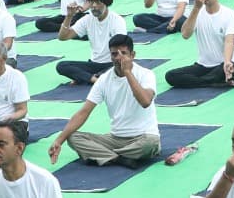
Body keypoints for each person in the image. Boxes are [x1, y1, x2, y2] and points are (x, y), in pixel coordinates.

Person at [47, 36, 160, 168]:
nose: (119, 58)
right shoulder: (104, 80)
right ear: (110, 56)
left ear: (132, 55)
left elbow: (145, 102)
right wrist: (59, 141)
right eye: (114, 54)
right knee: (72, 137)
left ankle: (106, 156)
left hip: (142, 138)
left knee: (151, 144)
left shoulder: (146, 74)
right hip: (115, 138)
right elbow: (83, 112)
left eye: (123, 53)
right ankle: (120, 158)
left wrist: (128, 72)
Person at [166, 0, 234, 89]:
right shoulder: (195, 12)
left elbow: (229, 42)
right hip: (203, 66)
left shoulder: (229, 14)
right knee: (171, 76)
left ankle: (208, 80)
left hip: (223, 64)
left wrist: (227, 62)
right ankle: (210, 81)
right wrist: (196, 8)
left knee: (232, 69)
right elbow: (185, 34)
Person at [56, 0, 124, 85]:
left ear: (106, 2)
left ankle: (85, 77)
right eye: (92, 1)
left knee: (116, 70)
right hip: (93, 64)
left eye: (98, 1)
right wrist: (69, 16)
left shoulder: (117, 20)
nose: (94, 6)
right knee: (61, 66)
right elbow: (63, 37)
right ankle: (94, 79)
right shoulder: (87, 19)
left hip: (111, 64)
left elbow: (121, 51)